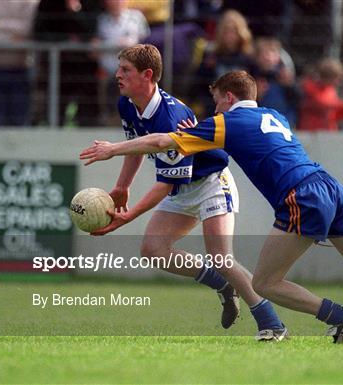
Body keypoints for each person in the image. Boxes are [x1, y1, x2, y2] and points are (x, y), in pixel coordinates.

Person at [80, 70, 343, 345]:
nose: (214, 109)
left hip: (300, 197)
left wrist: (113, 149)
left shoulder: (226, 123)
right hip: (331, 187)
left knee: (264, 283)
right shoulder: (274, 114)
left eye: (216, 101)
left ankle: (340, 317)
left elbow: (159, 142)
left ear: (229, 97)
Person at [89, 45, 286, 341]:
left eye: (125, 70)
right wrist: (122, 186)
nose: (117, 75)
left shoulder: (171, 114)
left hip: (211, 184)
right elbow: (138, 146)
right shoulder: (127, 104)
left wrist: (127, 217)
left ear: (148, 75)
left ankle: (271, 322)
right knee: (154, 251)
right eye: (119, 69)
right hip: (182, 187)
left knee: (222, 258)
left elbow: (164, 184)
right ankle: (221, 284)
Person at [191, 10, 254, 118]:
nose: (229, 35)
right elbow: (196, 87)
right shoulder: (211, 56)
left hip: (242, 111)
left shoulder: (248, 58)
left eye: (233, 31)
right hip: (215, 109)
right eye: (226, 31)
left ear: (241, 32)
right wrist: (206, 68)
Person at [96, 0, 150, 124]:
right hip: (107, 67)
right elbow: (96, 44)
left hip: (133, 68)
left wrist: (128, 44)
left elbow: (145, 41)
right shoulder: (102, 20)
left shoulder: (136, 17)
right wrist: (117, 44)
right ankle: (107, 119)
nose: (116, 3)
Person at [0, 0, 39, 126]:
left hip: (21, 70)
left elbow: (28, 29)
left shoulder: (30, 3)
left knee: (20, 122)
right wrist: (14, 39)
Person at [297, 58, 343, 132]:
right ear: (328, 77)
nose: (340, 83)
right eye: (338, 79)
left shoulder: (331, 90)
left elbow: (334, 113)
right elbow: (322, 103)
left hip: (328, 130)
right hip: (311, 131)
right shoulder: (310, 87)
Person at [251, 37, 299, 127]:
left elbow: (297, 101)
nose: (268, 57)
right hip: (259, 125)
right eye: (264, 53)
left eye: (272, 53)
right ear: (257, 57)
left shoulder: (285, 77)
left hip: (284, 124)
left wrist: (290, 86)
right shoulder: (251, 78)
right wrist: (255, 96)